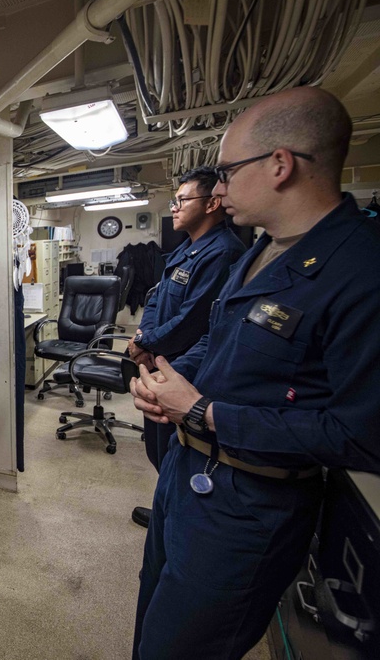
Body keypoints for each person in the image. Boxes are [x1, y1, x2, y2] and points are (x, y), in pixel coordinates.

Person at [130, 86, 380, 659]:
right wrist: (168, 380)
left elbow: (361, 433)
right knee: (151, 629)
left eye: (226, 171)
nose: (218, 190)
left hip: (248, 502)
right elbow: (219, 344)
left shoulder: (359, 268)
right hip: (187, 470)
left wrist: (204, 411)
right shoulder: (262, 251)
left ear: (280, 165)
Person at [126, 168, 245, 528]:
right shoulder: (187, 249)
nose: (174, 208)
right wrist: (144, 339)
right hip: (161, 362)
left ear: (212, 203)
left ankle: (174, 519)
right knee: (159, 447)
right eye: (173, 201)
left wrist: (146, 342)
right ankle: (167, 508)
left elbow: (193, 320)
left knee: (179, 452)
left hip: (186, 371)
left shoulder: (222, 253)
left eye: (182, 200)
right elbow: (159, 302)